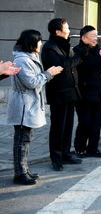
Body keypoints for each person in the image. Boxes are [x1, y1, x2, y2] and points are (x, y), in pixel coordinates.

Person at [7, 30, 62, 185]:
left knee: (26, 138)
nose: (41, 43)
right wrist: (48, 73)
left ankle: (24, 169)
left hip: (29, 104)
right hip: (23, 105)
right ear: (31, 43)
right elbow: (31, 82)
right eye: (38, 41)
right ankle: (20, 173)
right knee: (21, 140)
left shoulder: (30, 57)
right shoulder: (22, 60)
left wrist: (48, 74)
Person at [42, 18, 86, 171]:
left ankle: (66, 153)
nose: (69, 30)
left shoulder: (65, 46)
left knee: (68, 126)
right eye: (66, 27)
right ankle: (56, 157)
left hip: (70, 92)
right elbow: (62, 66)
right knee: (58, 127)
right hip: (58, 93)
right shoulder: (49, 48)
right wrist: (79, 56)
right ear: (58, 31)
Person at [73, 26, 101, 158]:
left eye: (96, 35)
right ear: (84, 37)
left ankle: (93, 148)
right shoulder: (77, 50)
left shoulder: (97, 49)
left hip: (96, 91)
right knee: (85, 122)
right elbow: (85, 66)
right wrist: (100, 58)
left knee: (97, 122)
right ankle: (80, 147)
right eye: (93, 36)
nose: (96, 38)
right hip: (83, 92)